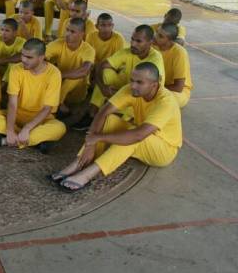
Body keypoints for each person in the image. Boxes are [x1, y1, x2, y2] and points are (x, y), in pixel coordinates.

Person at [51, 62, 181, 192]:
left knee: (132, 137)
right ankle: (79, 162)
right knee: (109, 119)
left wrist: (98, 137)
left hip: (164, 149)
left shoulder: (166, 102)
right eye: (132, 80)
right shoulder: (130, 89)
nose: (133, 86)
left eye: (140, 82)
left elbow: (138, 135)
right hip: (142, 133)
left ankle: (88, 173)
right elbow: (103, 111)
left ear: (154, 84)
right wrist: (90, 145)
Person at [0, 38, 66, 153]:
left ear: (41, 57)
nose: (24, 60)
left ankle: (4, 141)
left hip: (41, 118)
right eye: (23, 55)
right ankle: (30, 140)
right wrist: (10, 129)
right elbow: (12, 103)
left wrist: (27, 128)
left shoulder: (54, 74)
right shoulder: (16, 69)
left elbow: (47, 108)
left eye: (29, 57)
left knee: (60, 128)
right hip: (17, 114)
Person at [83, 25, 165, 128]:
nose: (133, 44)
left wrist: (117, 93)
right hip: (128, 86)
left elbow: (143, 91)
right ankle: (92, 113)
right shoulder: (128, 51)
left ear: (150, 42)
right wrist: (103, 87)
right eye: (132, 39)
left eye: (138, 41)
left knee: (113, 122)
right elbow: (102, 65)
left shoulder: (155, 61)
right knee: (106, 72)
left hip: (141, 96)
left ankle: (118, 116)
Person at [46, 18, 95, 115]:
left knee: (76, 76)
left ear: (82, 34)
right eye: (67, 30)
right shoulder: (58, 43)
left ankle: (58, 103)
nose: (67, 34)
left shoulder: (88, 50)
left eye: (72, 32)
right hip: (56, 86)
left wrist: (58, 75)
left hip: (77, 93)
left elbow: (84, 71)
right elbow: (40, 56)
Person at [153, 22, 193, 108]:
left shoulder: (180, 53)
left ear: (170, 40)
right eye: (156, 32)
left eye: (160, 36)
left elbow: (178, 87)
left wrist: (154, 89)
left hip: (178, 92)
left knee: (163, 101)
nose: (155, 37)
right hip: (157, 86)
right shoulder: (153, 47)